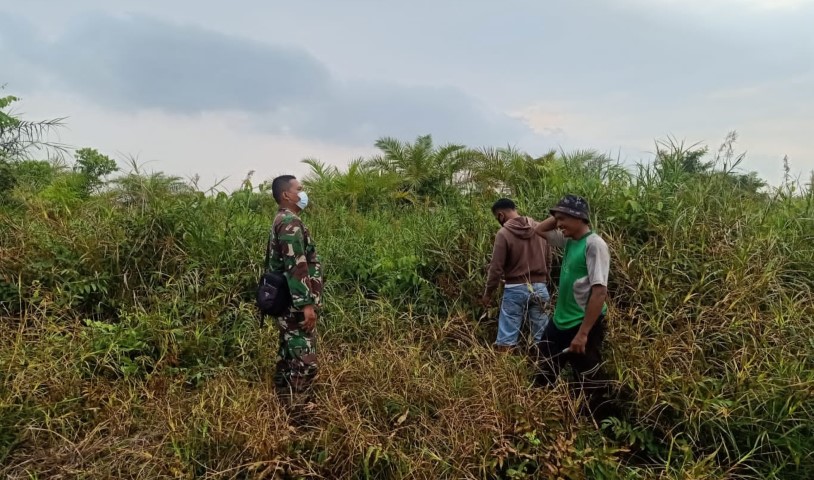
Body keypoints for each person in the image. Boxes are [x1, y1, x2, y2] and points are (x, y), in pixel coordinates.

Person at [533, 194, 611, 414]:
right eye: (557, 220)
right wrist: (558, 215)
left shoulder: (595, 245)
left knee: (589, 377)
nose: (558, 225)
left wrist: (583, 334)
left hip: (581, 324)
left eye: (563, 219)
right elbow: (539, 230)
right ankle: (539, 411)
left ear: (579, 218)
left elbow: (599, 292)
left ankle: (597, 420)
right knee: (545, 365)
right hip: (559, 321)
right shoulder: (569, 240)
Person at [267, 175, 323, 396]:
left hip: (287, 302)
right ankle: (299, 413)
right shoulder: (290, 222)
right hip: (294, 305)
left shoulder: (281, 219)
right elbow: (296, 266)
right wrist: (306, 305)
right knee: (304, 361)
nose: (303, 193)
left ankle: (282, 404)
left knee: (288, 355)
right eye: (299, 189)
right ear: (286, 195)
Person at [481, 198, 552, 352]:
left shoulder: (504, 233)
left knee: (506, 338)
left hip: (514, 289)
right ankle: (546, 372)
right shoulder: (540, 228)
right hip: (540, 287)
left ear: (500, 215)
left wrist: (488, 293)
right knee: (543, 336)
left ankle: (506, 374)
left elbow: (496, 268)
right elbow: (549, 261)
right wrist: (544, 281)